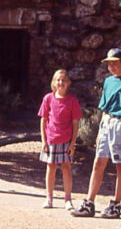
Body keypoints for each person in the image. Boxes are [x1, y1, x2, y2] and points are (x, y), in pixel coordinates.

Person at [71, 47, 121, 219]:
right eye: (109, 64)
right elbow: (103, 108)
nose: (112, 67)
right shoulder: (108, 82)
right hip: (107, 122)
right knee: (98, 162)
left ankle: (116, 204)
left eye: (115, 63)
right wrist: (100, 130)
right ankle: (89, 203)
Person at [38, 68, 82, 210]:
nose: (61, 82)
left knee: (66, 167)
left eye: (63, 80)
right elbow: (43, 120)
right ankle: (49, 198)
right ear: (54, 82)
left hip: (66, 140)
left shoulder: (72, 101)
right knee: (50, 167)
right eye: (58, 80)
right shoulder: (48, 99)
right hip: (51, 139)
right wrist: (44, 141)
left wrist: (72, 143)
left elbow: (75, 123)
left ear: (68, 83)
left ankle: (67, 199)